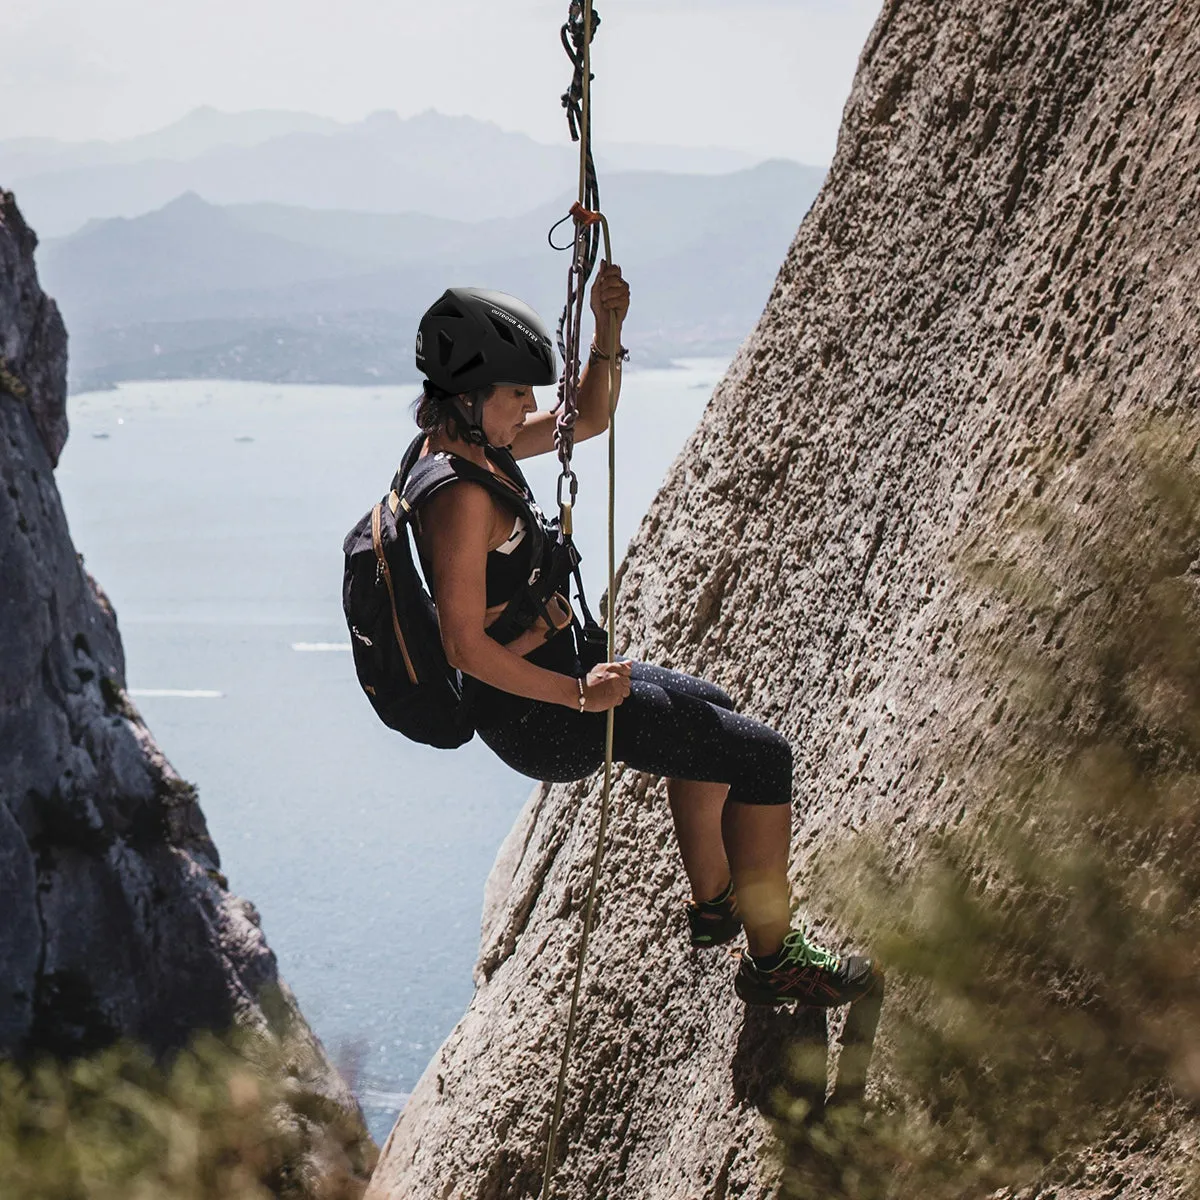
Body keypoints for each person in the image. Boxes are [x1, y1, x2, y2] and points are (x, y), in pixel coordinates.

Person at [408, 266, 874, 1007]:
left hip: (564, 681)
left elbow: (586, 418)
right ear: (468, 396)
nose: (530, 407)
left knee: (711, 709)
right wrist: (579, 695)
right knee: (761, 756)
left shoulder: (469, 450)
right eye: (516, 395)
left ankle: (717, 903)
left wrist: (608, 328)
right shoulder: (459, 496)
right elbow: (464, 647)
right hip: (545, 715)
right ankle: (772, 959)